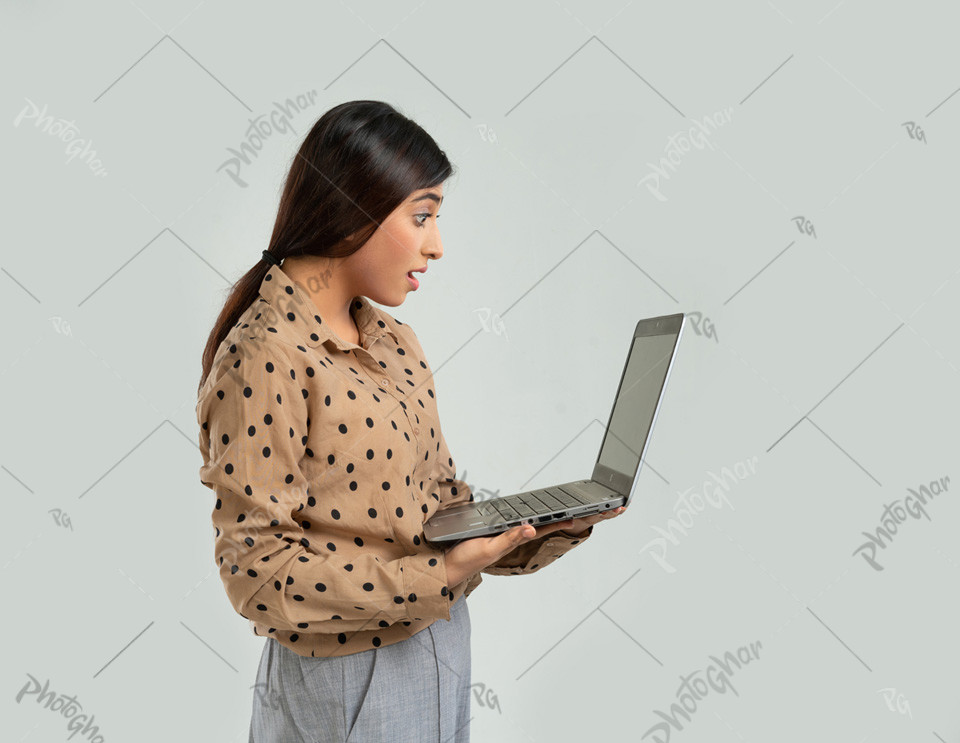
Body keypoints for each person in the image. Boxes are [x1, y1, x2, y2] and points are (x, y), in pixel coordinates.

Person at [194, 100, 626, 743]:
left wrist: (535, 528)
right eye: (421, 216)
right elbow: (257, 572)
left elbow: (439, 512)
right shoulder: (265, 355)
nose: (437, 245)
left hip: (441, 642)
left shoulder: (395, 341)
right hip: (346, 673)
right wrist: (437, 576)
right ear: (353, 208)